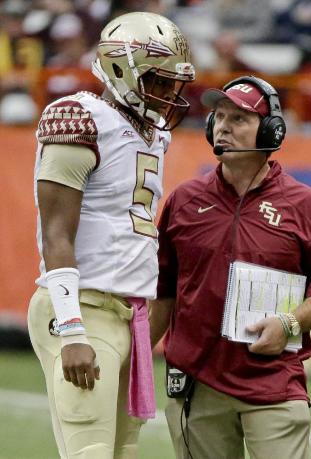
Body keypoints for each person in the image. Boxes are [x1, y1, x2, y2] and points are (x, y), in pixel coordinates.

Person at [150, 75, 311, 459]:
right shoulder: (184, 201)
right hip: (197, 385)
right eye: (219, 116)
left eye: (239, 118)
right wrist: (136, 360)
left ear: (272, 131)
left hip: (274, 383)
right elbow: (163, 292)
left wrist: (289, 325)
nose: (224, 125)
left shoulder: (306, 205)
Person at [27, 11, 195, 459]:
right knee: (91, 453)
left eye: (172, 84)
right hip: (84, 307)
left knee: (123, 453)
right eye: (158, 82)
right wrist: (72, 329)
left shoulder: (153, 135)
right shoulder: (78, 117)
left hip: (128, 317)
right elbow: (56, 234)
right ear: (122, 68)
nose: (167, 96)